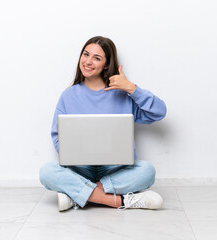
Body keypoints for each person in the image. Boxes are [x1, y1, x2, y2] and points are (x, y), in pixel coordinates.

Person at [39, 36, 167, 211]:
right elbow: (57, 137)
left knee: (147, 171)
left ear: (107, 65)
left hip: (114, 171)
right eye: (86, 54)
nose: (88, 61)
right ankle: (119, 201)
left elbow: (159, 112)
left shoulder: (122, 94)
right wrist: (76, 154)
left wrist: (131, 88)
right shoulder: (68, 96)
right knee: (47, 171)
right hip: (80, 170)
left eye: (97, 58)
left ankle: (78, 196)